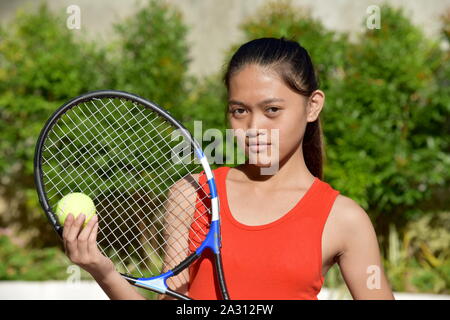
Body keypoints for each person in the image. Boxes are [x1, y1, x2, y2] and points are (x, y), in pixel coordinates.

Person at [62, 37, 395, 300]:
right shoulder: (192, 194)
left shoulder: (344, 218)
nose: (253, 127)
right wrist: (103, 272)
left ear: (312, 106)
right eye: (239, 111)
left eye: (272, 109)